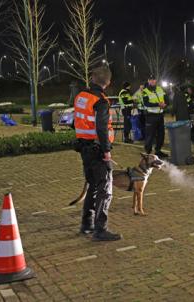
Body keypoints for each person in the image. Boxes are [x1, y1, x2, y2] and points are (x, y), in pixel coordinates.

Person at [73, 67, 121, 241]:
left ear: (93, 79)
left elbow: (76, 121)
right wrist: (106, 151)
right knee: (105, 189)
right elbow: (101, 127)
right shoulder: (100, 100)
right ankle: (100, 230)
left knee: (93, 186)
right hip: (97, 149)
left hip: (84, 148)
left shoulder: (81, 96)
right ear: (107, 82)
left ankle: (87, 224)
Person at [142, 75, 168, 158]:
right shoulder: (145, 91)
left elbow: (166, 98)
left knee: (161, 134)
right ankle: (148, 152)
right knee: (150, 135)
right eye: (151, 80)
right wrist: (158, 104)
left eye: (154, 80)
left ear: (156, 80)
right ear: (148, 81)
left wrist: (165, 104)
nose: (153, 81)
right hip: (151, 116)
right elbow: (146, 103)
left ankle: (158, 151)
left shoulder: (160, 89)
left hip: (160, 115)